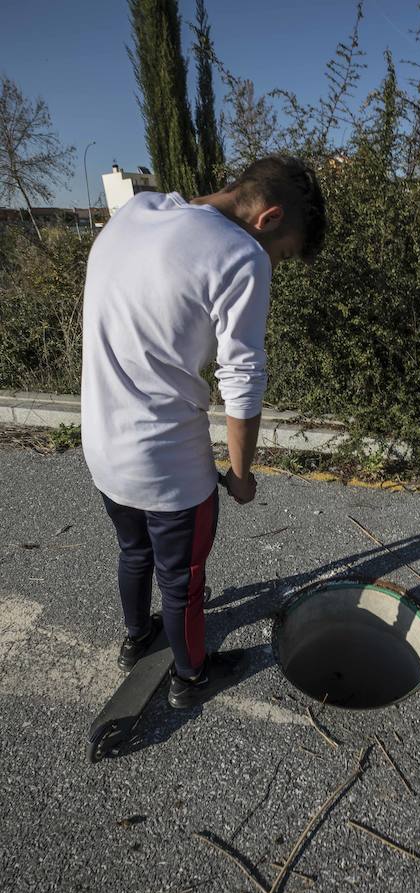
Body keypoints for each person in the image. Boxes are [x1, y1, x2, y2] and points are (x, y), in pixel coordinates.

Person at [80, 154, 327, 709]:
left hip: (101, 445)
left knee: (132, 551)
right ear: (268, 218)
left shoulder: (135, 213)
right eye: (281, 253)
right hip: (167, 467)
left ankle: (137, 637)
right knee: (184, 581)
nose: (273, 265)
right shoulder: (240, 254)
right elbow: (242, 380)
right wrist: (241, 476)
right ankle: (191, 678)